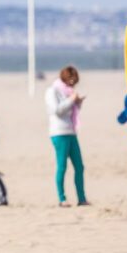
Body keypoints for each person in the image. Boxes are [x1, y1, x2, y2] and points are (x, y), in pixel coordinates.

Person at [45, 65, 88, 206]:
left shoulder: (69, 92)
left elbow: (71, 112)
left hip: (71, 131)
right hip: (59, 132)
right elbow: (57, 110)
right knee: (62, 166)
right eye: (70, 79)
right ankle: (62, 198)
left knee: (79, 166)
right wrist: (71, 100)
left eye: (74, 80)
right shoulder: (53, 91)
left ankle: (81, 198)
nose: (72, 82)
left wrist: (78, 102)